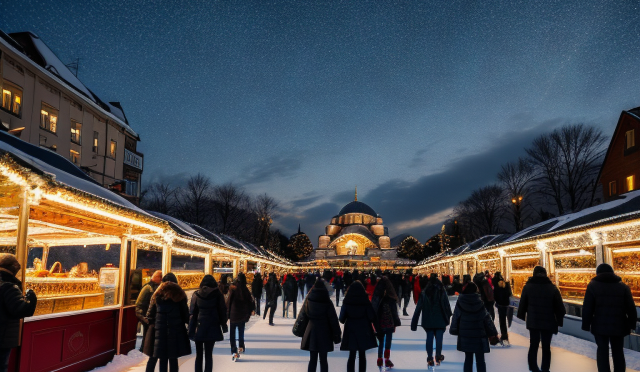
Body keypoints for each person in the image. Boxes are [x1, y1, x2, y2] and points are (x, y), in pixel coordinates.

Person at [582, 263, 637, 372]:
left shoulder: (593, 285)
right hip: (619, 325)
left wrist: (586, 325)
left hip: (599, 326)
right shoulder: (623, 286)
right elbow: (631, 307)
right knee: (618, 352)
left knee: (602, 352)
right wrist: (631, 324)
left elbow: (587, 307)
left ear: (598, 273)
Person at [517, 266, 565, 372]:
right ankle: (545, 369)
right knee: (546, 347)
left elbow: (522, 304)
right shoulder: (552, 288)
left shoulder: (528, 287)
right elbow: (560, 307)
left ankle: (533, 368)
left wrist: (521, 315)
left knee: (533, 344)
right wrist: (559, 321)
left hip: (533, 321)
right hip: (549, 322)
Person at [144, 273, 191, 372]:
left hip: (160, 333)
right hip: (175, 332)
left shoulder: (156, 294)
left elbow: (149, 315)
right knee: (173, 359)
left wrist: (156, 324)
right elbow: (186, 315)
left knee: (162, 358)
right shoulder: (180, 295)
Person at [449, 282, 498, 372]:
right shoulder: (480, 302)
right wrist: (493, 333)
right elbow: (487, 318)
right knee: (480, 360)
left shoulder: (460, 301)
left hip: (465, 334)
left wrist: (454, 329)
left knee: (468, 359)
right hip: (479, 335)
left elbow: (456, 316)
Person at [0, 254, 37, 372]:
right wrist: (31, 298)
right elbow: (21, 309)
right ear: (14, 268)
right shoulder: (9, 286)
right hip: (3, 335)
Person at [300, 279, 341, 372]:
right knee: (323, 360)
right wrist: (337, 335)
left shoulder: (309, 300)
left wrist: (302, 331)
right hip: (325, 332)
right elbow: (333, 319)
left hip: (311, 331)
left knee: (312, 360)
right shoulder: (327, 302)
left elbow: (303, 316)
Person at [411, 273, 452, 367]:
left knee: (429, 337)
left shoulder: (424, 292)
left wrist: (414, 323)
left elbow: (418, 308)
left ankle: (429, 358)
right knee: (439, 338)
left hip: (428, 319)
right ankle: (438, 355)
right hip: (440, 318)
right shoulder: (441, 290)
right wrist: (448, 316)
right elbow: (446, 305)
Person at [188, 275, 227, 372]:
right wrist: (223, 324)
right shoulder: (218, 294)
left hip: (199, 327)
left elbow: (192, 312)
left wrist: (191, 328)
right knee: (209, 354)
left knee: (199, 355)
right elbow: (222, 311)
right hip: (213, 327)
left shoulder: (196, 294)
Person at [339, 281, 377, 372]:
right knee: (362, 355)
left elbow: (341, 319)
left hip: (351, 330)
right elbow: (372, 316)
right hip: (364, 329)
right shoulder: (365, 301)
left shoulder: (347, 301)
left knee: (352, 355)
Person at [371, 276, 401, 370]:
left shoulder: (377, 297)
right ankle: (387, 359)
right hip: (389, 323)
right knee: (388, 342)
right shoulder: (391, 298)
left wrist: (372, 322)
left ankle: (379, 358)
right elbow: (394, 312)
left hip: (379, 323)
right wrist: (395, 323)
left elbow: (373, 310)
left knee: (380, 341)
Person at [227, 273, 255, 360]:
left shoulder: (233, 290)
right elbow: (250, 302)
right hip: (242, 315)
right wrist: (251, 311)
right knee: (241, 332)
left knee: (232, 334)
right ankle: (241, 346)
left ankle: (234, 351)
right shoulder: (246, 290)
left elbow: (229, 302)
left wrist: (227, 314)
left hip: (233, 315)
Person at [136, 270, 162, 352]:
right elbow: (139, 304)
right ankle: (144, 350)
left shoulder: (152, 287)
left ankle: (145, 350)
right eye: (161, 278)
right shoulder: (148, 288)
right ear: (157, 278)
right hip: (146, 315)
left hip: (149, 315)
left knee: (148, 335)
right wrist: (144, 318)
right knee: (147, 335)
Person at [492, 272, 513, 346]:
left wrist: (496, 302)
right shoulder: (506, 284)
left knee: (502, 320)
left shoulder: (496, 286)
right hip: (506, 304)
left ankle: (504, 336)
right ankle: (505, 335)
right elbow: (510, 294)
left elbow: (495, 296)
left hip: (500, 304)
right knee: (504, 319)